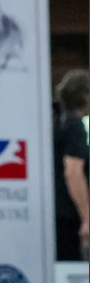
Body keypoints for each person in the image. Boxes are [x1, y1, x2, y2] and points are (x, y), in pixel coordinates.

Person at [53, 69, 89, 261]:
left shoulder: (59, 122)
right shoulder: (75, 127)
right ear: (85, 97)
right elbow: (73, 172)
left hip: (57, 214)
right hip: (68, 216)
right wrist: (86, 217)